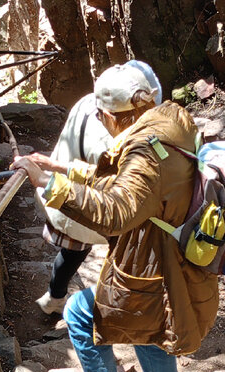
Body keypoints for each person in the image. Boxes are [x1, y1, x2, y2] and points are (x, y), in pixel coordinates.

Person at [12, 64, 219, 372]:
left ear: (111, 115)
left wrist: (48, 184)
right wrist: (62, 168)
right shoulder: (170, 123)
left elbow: (117, 211)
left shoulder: (143, 150)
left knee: (78, 312)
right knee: (153, 325)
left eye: (99, 116)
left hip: (154, 264)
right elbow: (127, 184)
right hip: (176, 256)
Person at [33, 60, 162, 317]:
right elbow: (116, 195)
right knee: (126, 249)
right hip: (85, 207)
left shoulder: (88, 102)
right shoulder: (113, 142)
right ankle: (118, 307)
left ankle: (54, 297)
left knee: (71, 255)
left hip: (68, 201)